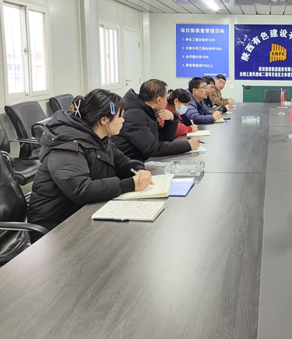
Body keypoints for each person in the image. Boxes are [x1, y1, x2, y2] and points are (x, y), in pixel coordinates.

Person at [27, 89, 153, 238]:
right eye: (120, 116)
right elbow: (82, 189)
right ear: (104, 120)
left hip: (82, 211)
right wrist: (130, 184)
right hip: (56, 226)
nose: (123, 120)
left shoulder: (100, 137)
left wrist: (138, 169)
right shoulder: (67, 145)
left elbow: (121, 162)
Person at [113, 80, 199, 161]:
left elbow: (164, 139)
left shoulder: (148, 111)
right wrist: (187, 145)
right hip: (132, 164)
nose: (167, 101)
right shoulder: (134, 115)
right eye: (166, 97)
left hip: (143, 160)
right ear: (159, 100)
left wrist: (171, 119)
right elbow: (152, 148)